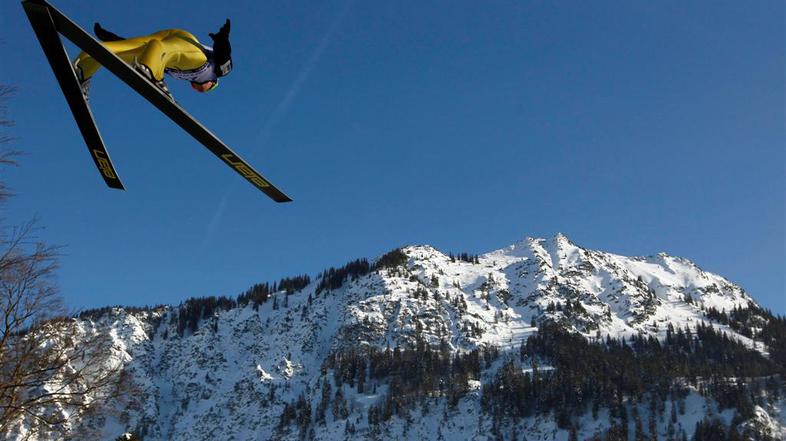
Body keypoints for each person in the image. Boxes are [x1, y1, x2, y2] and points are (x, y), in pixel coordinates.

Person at [72, 20, 233, 101]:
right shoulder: (213, 73)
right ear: (212, 83)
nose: (198, 90)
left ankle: (83, 68)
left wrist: (114, 41)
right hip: (188, 45)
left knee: (128, 52)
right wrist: (222, 39)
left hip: (166, 42)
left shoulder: (176, 71)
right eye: (210, 89)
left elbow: (143, 49)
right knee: (162, 50)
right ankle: (150, 74)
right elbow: (224, 56)